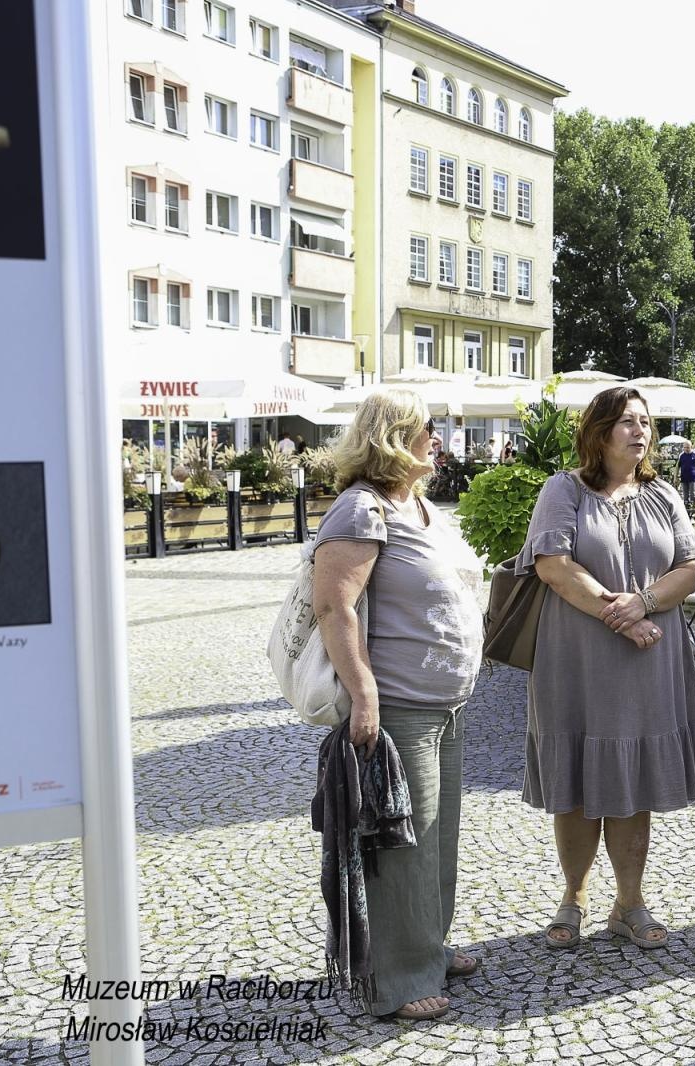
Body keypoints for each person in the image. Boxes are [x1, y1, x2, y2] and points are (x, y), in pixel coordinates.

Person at [312, 393, 484, 1021]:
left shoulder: (415, 504)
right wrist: (363, 694)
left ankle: (428, 945)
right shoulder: (359, 509)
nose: (437, 439)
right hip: (399, 705)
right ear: (395, 436)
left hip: (444, 701)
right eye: (428, 429)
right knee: (400, 843)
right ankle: (400, 978)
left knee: (437, 837)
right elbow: (335, 607)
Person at [522, 386, 695, 951]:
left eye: (645, 421)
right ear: (599, 431)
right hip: (577, 660)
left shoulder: (664, 494)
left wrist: (645, 604)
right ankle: (572, 898)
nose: (640, 430)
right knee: (578, 783)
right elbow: (553, 566)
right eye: (627, 421)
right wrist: (623, 614)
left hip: (647, 662)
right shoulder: (565, 490)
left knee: (633, 785)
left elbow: (690, 567)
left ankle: (629, 903)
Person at [678, 439, 695, 510]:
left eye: (688, 447)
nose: (686, 449)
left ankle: (694, 510)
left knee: (693, 494)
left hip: (694, 477)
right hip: (684, 478)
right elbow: (677, 467)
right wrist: (675, 478)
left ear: (691, 447)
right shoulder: (681, 455)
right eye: (685, 447)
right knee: (685, 496)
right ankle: (687, 510)